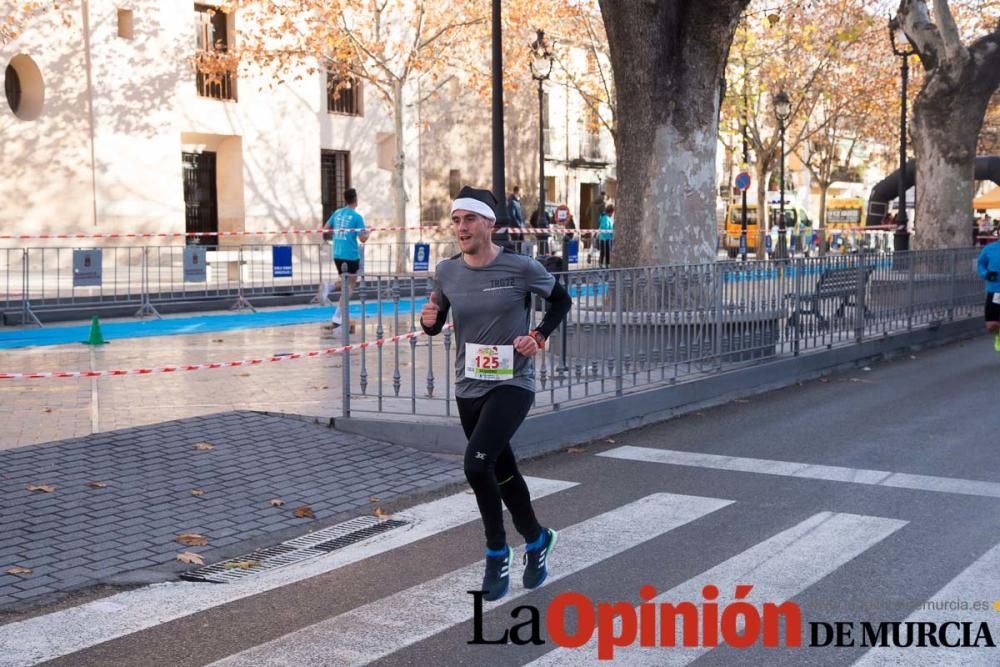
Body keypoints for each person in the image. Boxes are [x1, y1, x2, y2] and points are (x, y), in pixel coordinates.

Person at [421, 185, 573, 601]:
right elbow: (437, 322)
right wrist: (429, 321)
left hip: (512, 383)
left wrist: (538, 335)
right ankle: (537, 539)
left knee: (476, 466)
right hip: (468, 387)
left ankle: (495, 550)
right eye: (456, 220)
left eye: (469, 219)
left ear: (488, 223)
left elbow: (562, 301)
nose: (461, 227)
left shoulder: (520, 267)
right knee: (502, 471)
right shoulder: (447, 271)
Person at [324, 188, 369, 327]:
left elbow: (326, 227)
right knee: (349, 285)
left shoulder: (337, 213)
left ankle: (338, 315)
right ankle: (337, 313)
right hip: (350, 255)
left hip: (337, 253)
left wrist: (339, 235)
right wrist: (368, 233)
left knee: (345, 283)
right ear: (355, 199)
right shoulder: (357, 217)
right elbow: (362, 239)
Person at [976, 236, 1000, 352]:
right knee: (991, 326)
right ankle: (998, 335)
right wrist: (986, 274)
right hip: (995, 291)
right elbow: (980, 264)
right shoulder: (989, 249)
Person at [507, 186, 525, 253]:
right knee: (516, 246)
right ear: (517, 192)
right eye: (521, 191)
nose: (523, 193)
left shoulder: (518, 202)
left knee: (520, 246)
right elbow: (512, 216)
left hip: (520, 228)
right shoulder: (512, 202)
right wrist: (519, 225)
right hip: (516, 228)